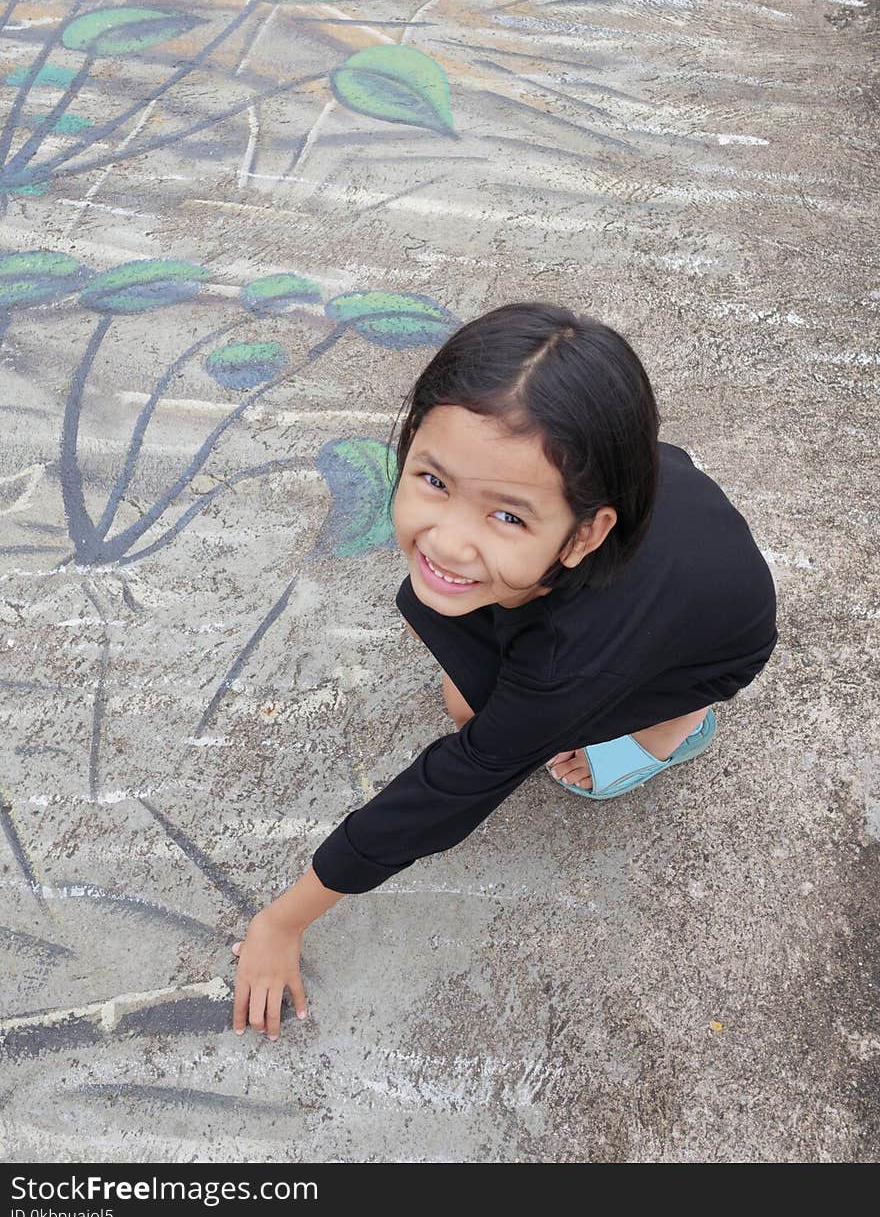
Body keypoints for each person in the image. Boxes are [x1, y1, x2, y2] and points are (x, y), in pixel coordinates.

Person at [231, 303, 779, 1038]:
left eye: (508, 515)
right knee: (475, 692)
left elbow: (445, 795)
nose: (449, 542)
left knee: (489, 727)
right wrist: (509, 531)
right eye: (433, 480)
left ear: (588, 532)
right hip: (658, 546)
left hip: (705, 644)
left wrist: (281, 922)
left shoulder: (570, 661)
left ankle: (676, 726)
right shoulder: (574, 490)